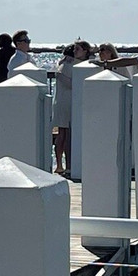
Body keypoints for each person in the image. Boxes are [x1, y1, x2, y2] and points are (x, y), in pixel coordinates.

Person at [52, 40, 92, 175]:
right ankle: (62, 164)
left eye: (78, 49)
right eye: (74, 50)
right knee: (64, 133)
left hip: (69, 102)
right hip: (66, 102)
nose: (75, 52)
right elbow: (71, 83)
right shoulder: (67, 65)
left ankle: (65, 164)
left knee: (66, 134)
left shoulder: (75, 64)